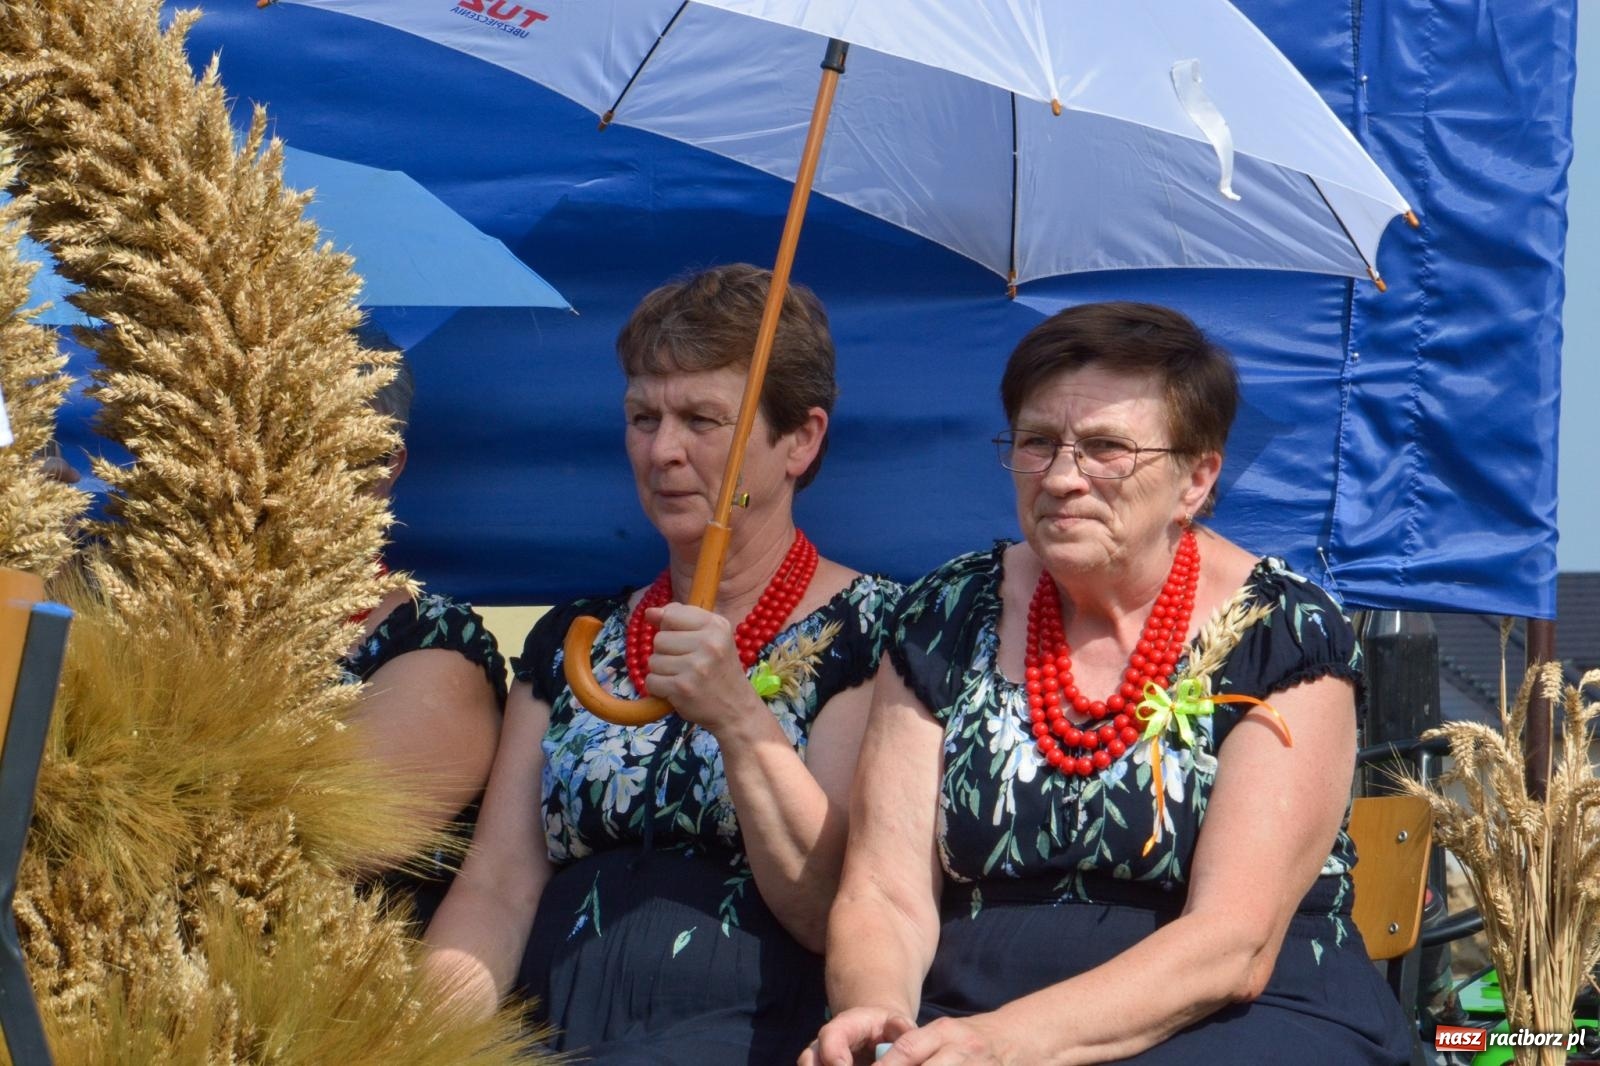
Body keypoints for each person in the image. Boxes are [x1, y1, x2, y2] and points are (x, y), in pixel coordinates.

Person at [805, 302, 1414, 1065]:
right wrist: (881, 1015)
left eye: (1104, 449)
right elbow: (884, 893)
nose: (1062, 477)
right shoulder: (942, 617)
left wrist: (1002, 1044)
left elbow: (1232, 943)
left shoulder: (1285, 632)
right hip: (967, 1012)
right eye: (1037, 443)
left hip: (1232, 1021)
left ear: (1197, 477)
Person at [424, 264, 901, 1063]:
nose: (663, 451)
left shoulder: (874, 631)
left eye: (703, 419)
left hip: (750, 1029)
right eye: (642, 416)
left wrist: (741, 720)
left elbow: (836, 905)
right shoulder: (575, 637)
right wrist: (414, 1037)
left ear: (802, 439)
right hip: (551, 1022)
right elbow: (497, 884)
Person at [338, 329, 505, 927]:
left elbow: (329, 840)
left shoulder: (439, 646)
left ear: (387, 465)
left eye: (330, 441)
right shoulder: (161, 611)